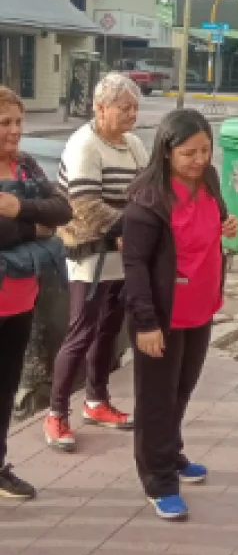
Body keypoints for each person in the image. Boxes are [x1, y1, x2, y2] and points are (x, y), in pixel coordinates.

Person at [122, 109, 238, 520]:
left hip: (201, 308)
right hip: (163, 316)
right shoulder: (148, 200)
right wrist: (147, 323)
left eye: (206, 150)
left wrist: (226, 223)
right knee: (156, 398)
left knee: (181, 390)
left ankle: (171, 454)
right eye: (190, 152)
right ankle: (158, 480)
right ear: (167, 151)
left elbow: (215, 217)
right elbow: (133, 266)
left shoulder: (207, 181)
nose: (200, 159)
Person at [44, 73, 148, 451]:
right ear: (100, 108)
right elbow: (84, 204)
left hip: (124, 253)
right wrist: (129, 228)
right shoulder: (83, 145)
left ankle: (96, 400)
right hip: (91, 253)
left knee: (109, 329)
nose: (132, 115)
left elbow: (148, 189)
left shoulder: (134, 144)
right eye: (124, 108)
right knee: (81, 332)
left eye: (135, 108)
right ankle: (56, 414)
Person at [0, 86, 71, 498]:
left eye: (18, 122)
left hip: (20, 300)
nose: (14, 131)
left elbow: (62, 210)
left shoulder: (25, 167)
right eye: (5, 123)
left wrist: (19, 210)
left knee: (6, 388)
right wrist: (34, 229)